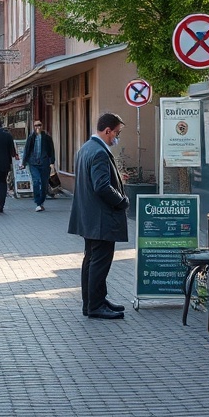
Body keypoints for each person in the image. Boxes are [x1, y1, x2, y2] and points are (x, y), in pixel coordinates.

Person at [68, 111, 129, 320]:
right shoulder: (100, 152)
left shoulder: (86, 148)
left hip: (89, 217)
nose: (116, 138)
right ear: (107, 130)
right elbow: (101, 186)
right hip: (101, 218)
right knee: (99, 262)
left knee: (91, 260)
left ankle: (95, 301)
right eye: (116, 133)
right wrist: (121, 201)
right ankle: (95, 305)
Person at [22, 119, 56, 212]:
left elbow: (51, 151)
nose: (38, 127)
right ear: (34, 127)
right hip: (33, 163)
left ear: (42, 126)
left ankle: (42, 201)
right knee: (36, 181)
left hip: (44, 163)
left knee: (44, 183)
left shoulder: (47, 138)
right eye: (36, 125)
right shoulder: (31, 137)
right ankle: (38, 202)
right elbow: (27, 150)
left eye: (39, 125)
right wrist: (23, 163)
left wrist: (52, 162)